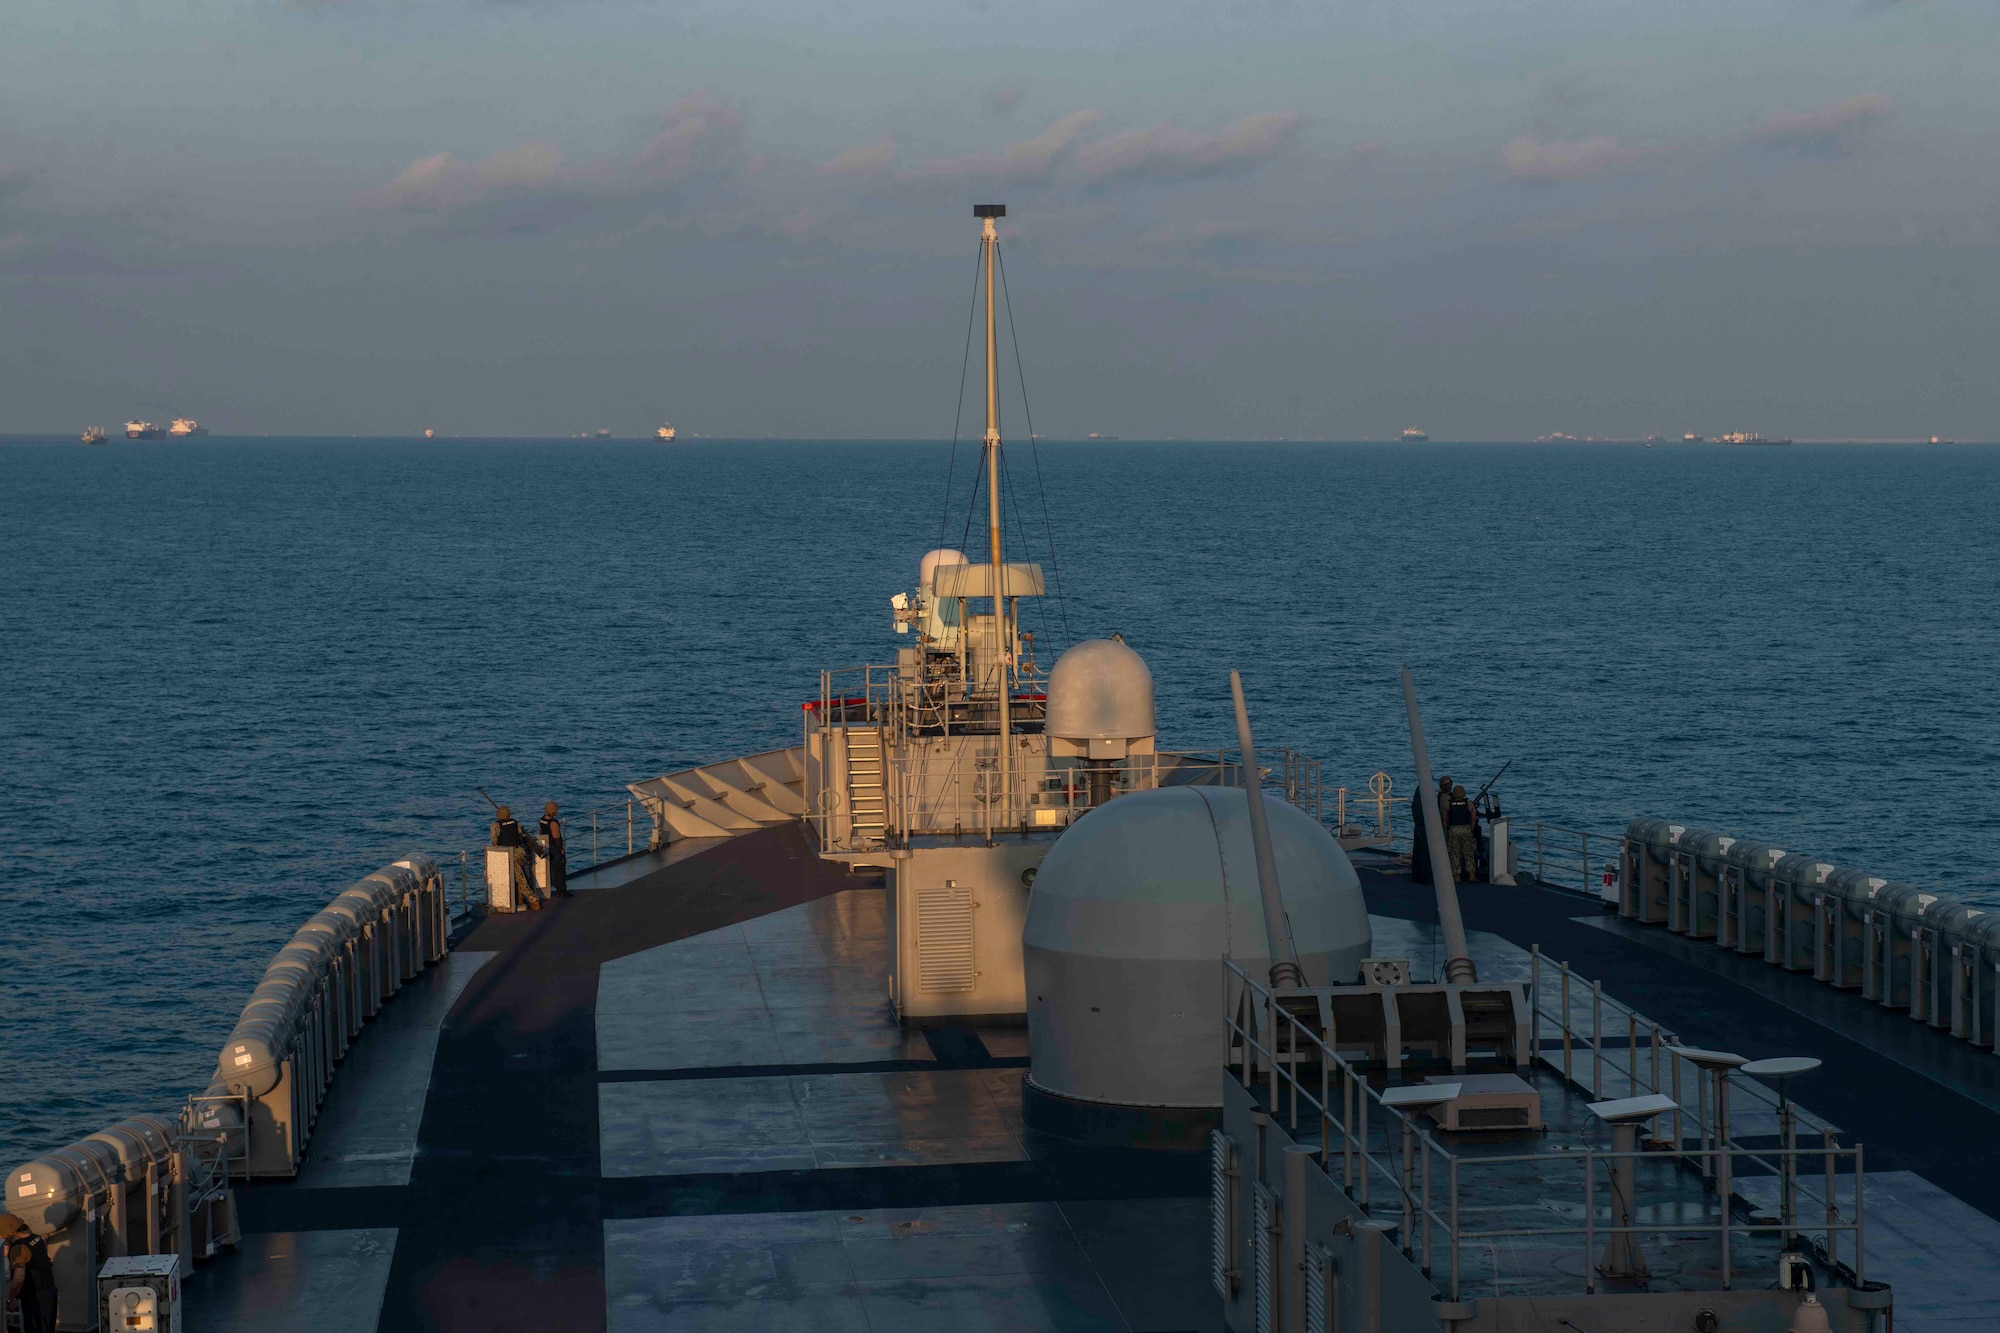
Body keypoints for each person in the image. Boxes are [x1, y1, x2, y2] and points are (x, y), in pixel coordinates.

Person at [3, 1212, 57, 1333]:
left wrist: (9, 1299)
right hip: (49, 1291)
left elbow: (19, 1279)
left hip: (35, 1299)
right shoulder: (36, 1238)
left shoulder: (18, 1248)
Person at [490, 804, 543, 911]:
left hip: (509, 854)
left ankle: (533, 900)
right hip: (520, 852)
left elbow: (494, 842)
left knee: (520, 878)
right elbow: (520, 836)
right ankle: (519, 899)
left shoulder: (495, 825)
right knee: (518, 875)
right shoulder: (515, 823)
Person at [1445, 783, 1477, 882]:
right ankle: (1471, 874)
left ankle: (1457, 876)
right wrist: (1471, 828)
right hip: (1466, 828)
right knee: (1469, 852)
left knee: (1454, 853)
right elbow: (1473, 818)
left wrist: (1446, 830)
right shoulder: (1469, 804)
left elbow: (1445, 818)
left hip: (1454, 829)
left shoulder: (1448, 804)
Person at [538, 801, 570, 898]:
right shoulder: (553, 823)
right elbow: (557, 837)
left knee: (552, 870)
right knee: (560, 869)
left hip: (547, 846)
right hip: (554, 848)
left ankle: (556, 888)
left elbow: (541, 833)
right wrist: (561, 849)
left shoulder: (542, 820)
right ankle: (562, 890)